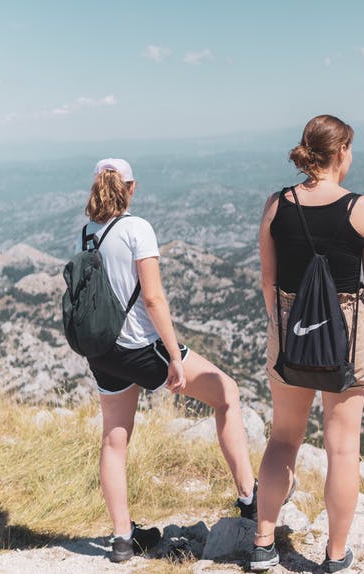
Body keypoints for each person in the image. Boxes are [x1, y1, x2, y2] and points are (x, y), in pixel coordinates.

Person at [79, 158, 256, 563]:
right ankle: (250, 499)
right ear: (131, 187)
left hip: (103, 352)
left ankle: (123, 538)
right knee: (227, 392)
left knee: (114, 438)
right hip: (142, 347)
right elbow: (154, 298)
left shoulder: (87, 233)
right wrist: (175, 355)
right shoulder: (137, 228)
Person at [251, 115, 364, 572]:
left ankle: (263, 542)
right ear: (342, 151)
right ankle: (334, 555)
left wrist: (284, 326)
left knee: (284, 438)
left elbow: (268, 281)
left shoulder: (277, 205)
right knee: (342, 447)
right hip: (347, 336)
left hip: (290, 331)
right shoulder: (362, 209)